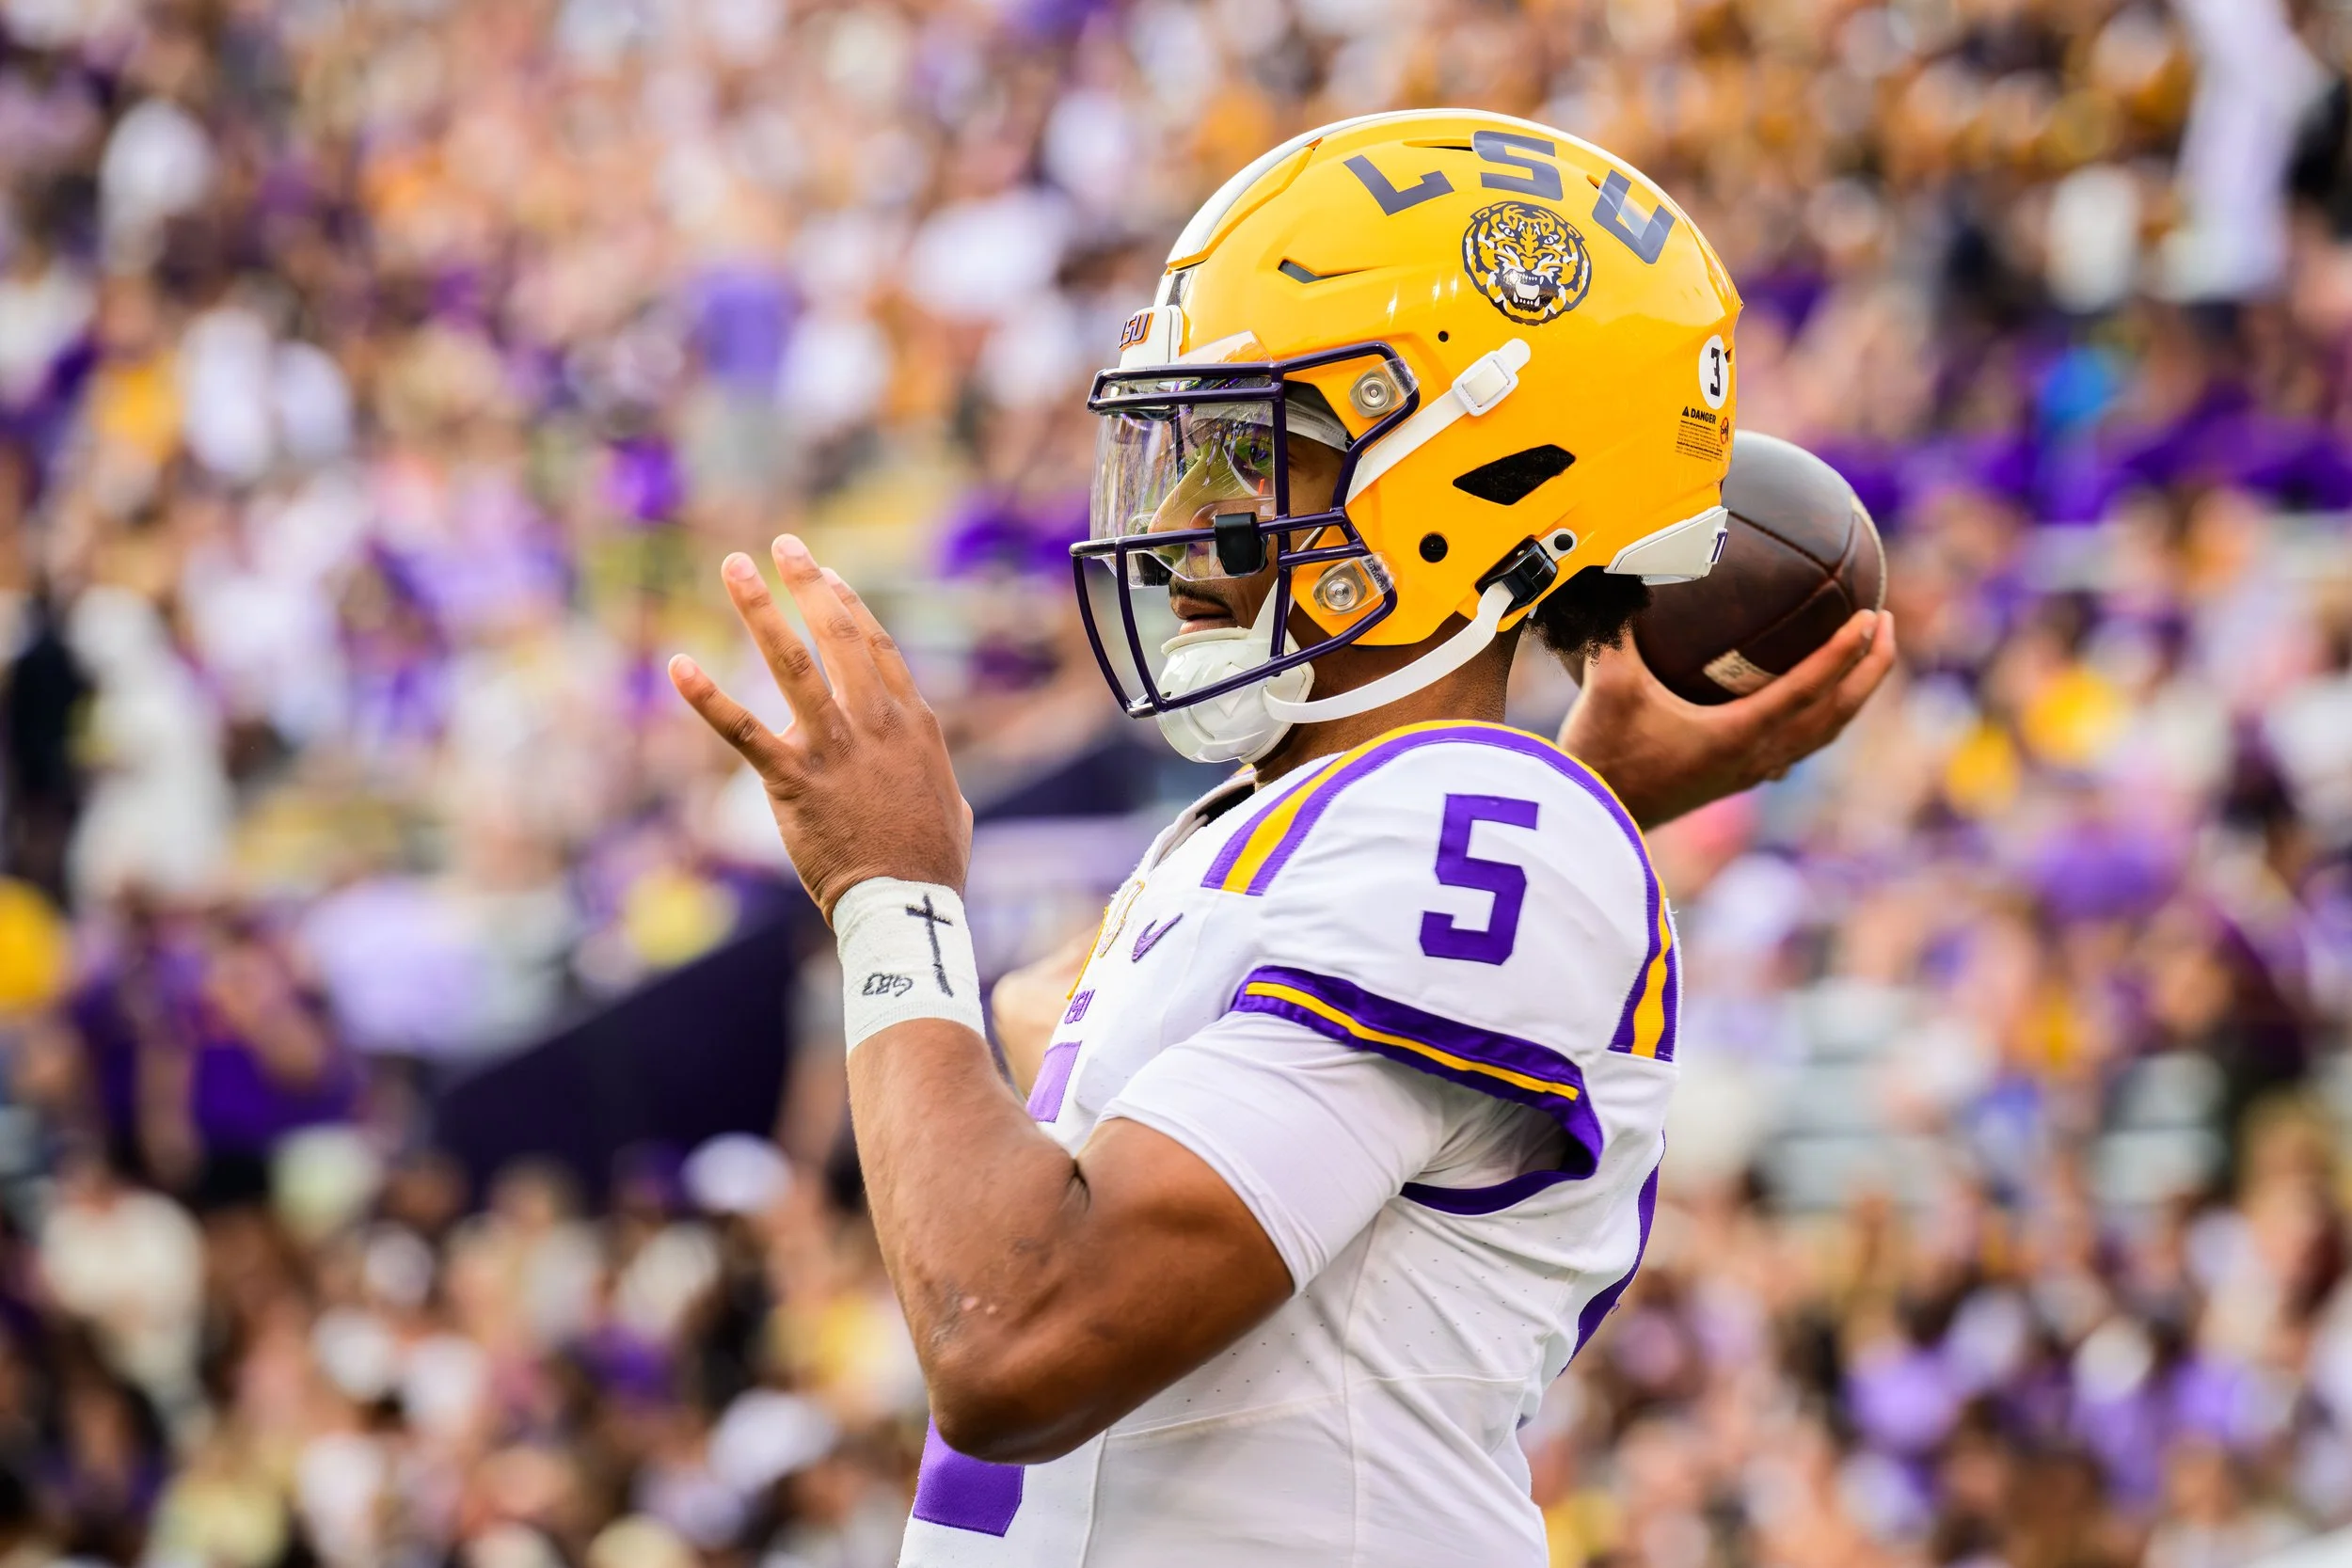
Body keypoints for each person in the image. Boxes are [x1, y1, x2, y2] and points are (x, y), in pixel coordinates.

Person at [669, 111, 1895, 1567]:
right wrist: (1596, 789)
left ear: (1481, 478)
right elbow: (1046, 1023)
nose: (1191, 519)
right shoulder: (1313, 815)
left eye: (1259, 453)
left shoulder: (1481, 823)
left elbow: (1018, 1339)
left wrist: (888, 891)